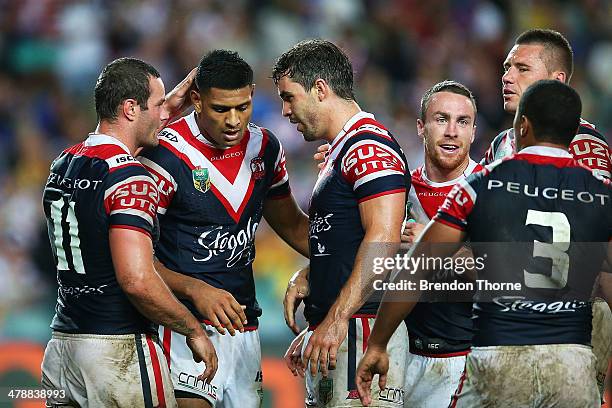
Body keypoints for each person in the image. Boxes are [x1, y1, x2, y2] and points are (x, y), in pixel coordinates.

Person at [356, 80, 612, 407]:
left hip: (500, 354)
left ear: (523, 126)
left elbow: (417, 270)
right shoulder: (601, 194)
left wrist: (377, 344)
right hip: (571, 361)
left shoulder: (482, 184)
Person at [41, 57, 217, 407]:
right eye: (157, 106)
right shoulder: (130, 177)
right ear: (130, 108)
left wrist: (164, 103)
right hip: (116, 350)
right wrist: (192, 329)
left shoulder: (63, 163)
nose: (165, 114)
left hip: (63, 349)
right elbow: (136, 279)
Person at [138, 50, 309, 408]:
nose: (234, 121)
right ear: (197, 100)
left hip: (244, 327)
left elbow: (292, 225)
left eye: (243, 107)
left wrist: (354, 256)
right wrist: (194, 288)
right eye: (221, 109)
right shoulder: (164, 154)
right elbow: (133, 257)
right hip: (183, 327)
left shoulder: (265, 147)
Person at [273, 39, 410, 407]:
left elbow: (383, 239)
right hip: (344, 331)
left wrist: (335, 320)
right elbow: (344, 241)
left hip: (361, 329)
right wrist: (313, 279)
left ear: (320, 89)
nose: (285, 111)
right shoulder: (342, 151)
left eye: (289, 97)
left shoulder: (368, 146)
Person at [482, 28, 612, 399]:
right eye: (507, 67)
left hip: (569, 318)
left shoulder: (582, 144)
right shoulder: (499, 145)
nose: (507, 77)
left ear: (557, 81)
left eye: (522, 68)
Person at [400, 80, 481, 407]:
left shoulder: (490, 189)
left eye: (462, 122)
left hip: (465, 361)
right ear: (421, 127)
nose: (452, 131)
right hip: (401, 358)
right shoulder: (398, 190)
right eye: (441, 119)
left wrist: (432, 246)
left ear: (473, 132)